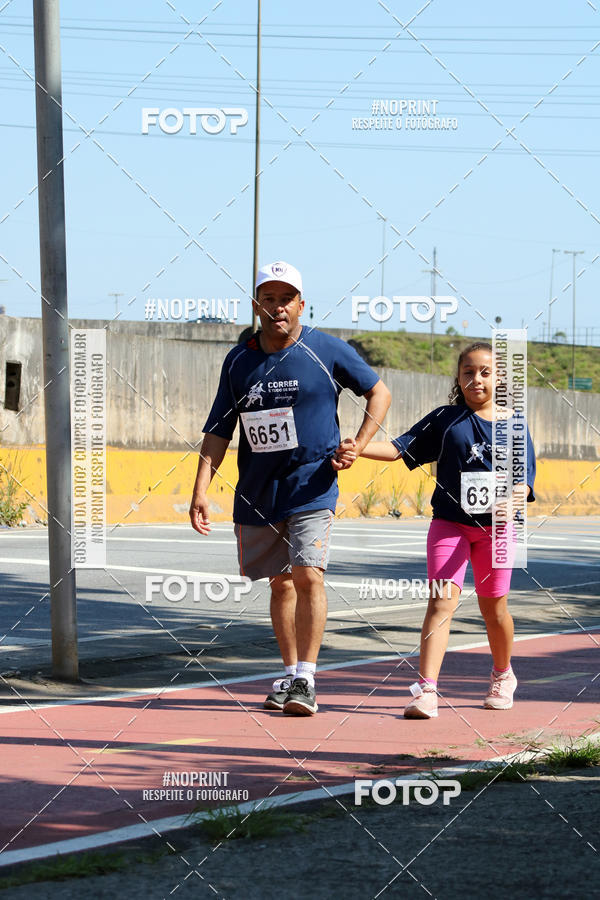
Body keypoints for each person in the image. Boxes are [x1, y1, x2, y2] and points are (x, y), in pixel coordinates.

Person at [189, 261, 391, 715]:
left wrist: (359, 445)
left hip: (313, 485)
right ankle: (290, 674)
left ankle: (307, 677)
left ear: (301, 304)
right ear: (258, 305)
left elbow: (380, 393)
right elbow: (219, 429)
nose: (278, 307)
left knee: (308, 575)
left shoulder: (328, 350)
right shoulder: (239, 360)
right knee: (280, 586)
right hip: (260, 490)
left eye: (286, 298)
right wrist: (201, 488)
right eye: (269, 298)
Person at [336, 341, 536, 718]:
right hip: (449, 525)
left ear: (501, 378)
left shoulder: (515, 425)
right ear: (458, 378)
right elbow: (399, 449)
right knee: (441, 603)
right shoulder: (445, 420)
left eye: (486, 372)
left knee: (494, 609)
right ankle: (426, 691)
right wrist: (356, 447)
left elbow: (524, 482)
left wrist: (514, 498)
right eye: (468, 372)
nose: (476, 379)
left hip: (498, 531)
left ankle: (503, 674)